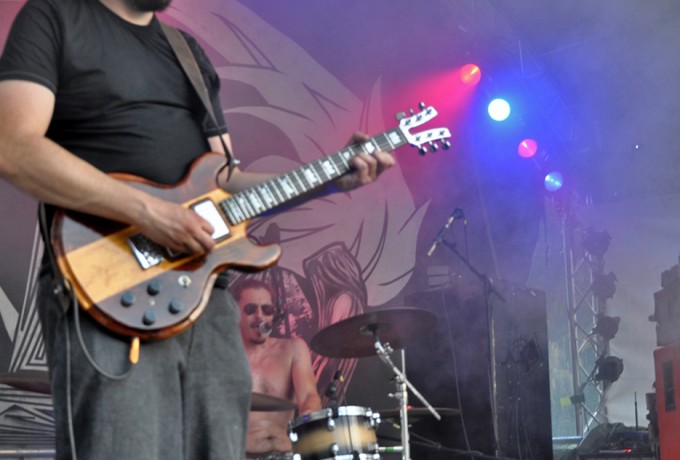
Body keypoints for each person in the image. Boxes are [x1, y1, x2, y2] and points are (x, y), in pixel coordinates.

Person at [0, 0, 395, 458]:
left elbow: (225, 182)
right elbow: (14, 147)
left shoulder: (185, 52)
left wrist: (327, 181)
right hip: (106, 284)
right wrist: (149, 213)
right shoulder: (54, 16)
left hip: (205, 298)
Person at [234, 278, 321, 459]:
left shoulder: (293, 349)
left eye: (267, 309)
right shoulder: (223, 356)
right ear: (235, 312)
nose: (260, 316)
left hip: (285, 453)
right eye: (250, 309)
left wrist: (308, 416)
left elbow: (308, 396)